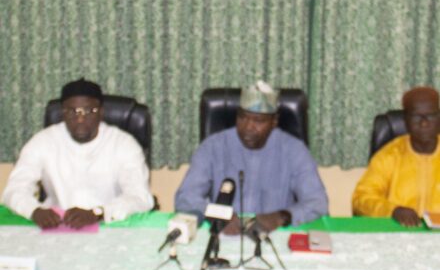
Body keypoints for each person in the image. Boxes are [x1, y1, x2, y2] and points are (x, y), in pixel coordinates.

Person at [175, 81, 328, 234]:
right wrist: (217, 214)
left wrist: (281, 217)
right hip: (223, 234)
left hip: (274, 235)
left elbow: (318, 202)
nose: (248, 127)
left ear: (274, 122)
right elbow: (186, 197)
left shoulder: (294, 150)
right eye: (242, 118)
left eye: (258, 121)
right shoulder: (212, 147)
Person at [2, 78, 154, 228]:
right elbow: (14, 190)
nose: (80, 119)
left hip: (109, 224)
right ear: (63, 113)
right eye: (72, 111)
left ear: (101, 112)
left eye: (88, 111)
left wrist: (98, 213)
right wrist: (34, 211)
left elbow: (140, 197)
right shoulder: (43, 141)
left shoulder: (124, 144)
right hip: (56, 225)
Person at [352, 86, 440, 226]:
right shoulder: (389, 156)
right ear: (406, 119)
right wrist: (393, 210)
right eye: (417, 116)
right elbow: (361, 199)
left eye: (430, 116)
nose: (424, 123)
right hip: (398, 232)